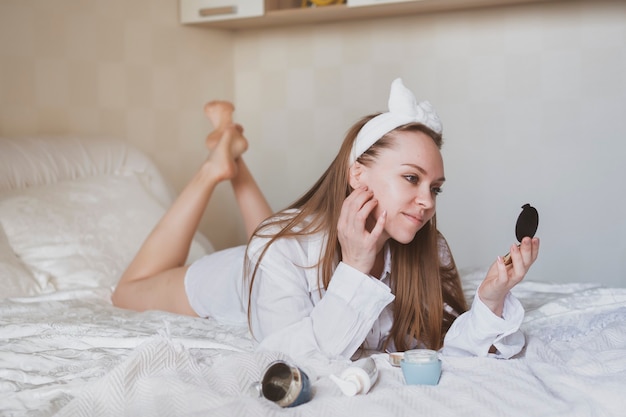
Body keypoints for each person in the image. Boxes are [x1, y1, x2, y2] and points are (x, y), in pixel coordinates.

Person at [112, 78, 540, 363]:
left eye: (435, 187)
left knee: (280, 236)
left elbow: (442, 346)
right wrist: (354, 268)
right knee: (127, 292)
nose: (426, 201)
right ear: (358, 174)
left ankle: (233, 155)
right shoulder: (280, 249)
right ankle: (216, 168)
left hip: (282, 251)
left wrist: (491, 300)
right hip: (236, 274)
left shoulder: (428, 247)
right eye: (411, 178)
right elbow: (291, 359)